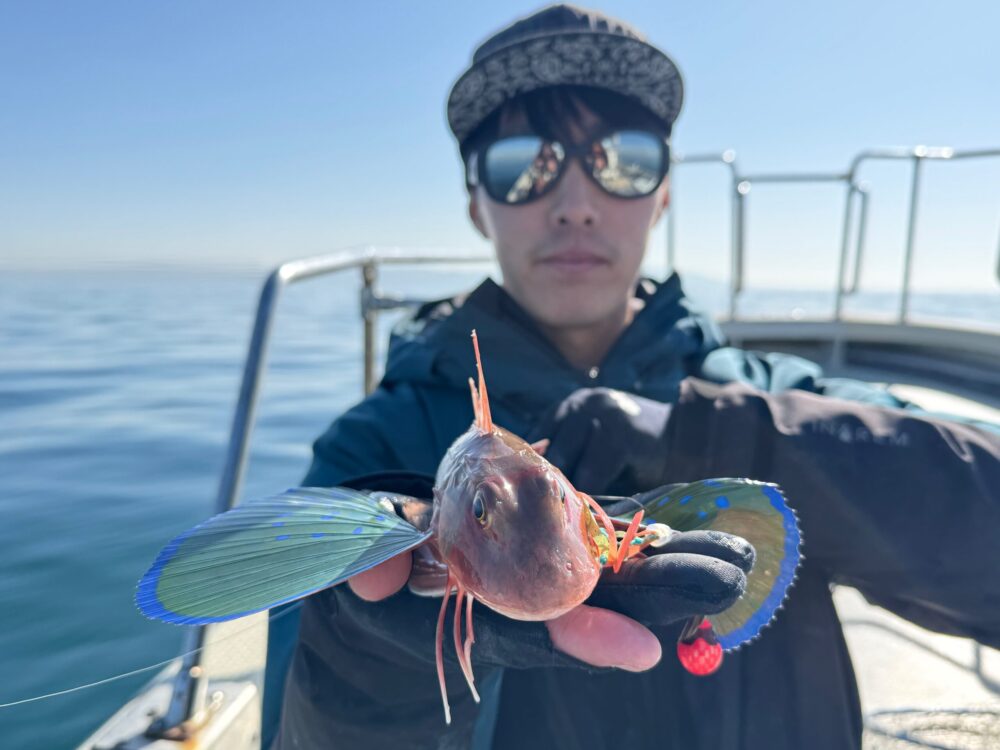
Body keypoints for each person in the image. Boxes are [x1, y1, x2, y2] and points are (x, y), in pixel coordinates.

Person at [270, 5, 1000, 748]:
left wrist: (730, 435)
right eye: (523, 165)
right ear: (476, 205)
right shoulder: (370, 456)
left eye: (623, 161)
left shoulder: (772, 393)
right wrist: (359, 669)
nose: (576, 206)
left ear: (664, 195)